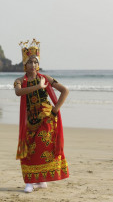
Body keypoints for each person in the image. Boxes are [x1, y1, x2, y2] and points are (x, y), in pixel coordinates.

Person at [13, 39, 70, 193]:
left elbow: (65, 90)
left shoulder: (45, 78)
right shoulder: (19, 81)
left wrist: (55, 109)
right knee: (29, 150)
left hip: (46, 117)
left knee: (41, 147)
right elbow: (18, 92)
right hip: (29, 120)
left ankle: (39, 180)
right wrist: (38, 87)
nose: (33, 65)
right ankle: (31, 181)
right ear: (24, 63)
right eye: (30, 62)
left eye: (35, 62)